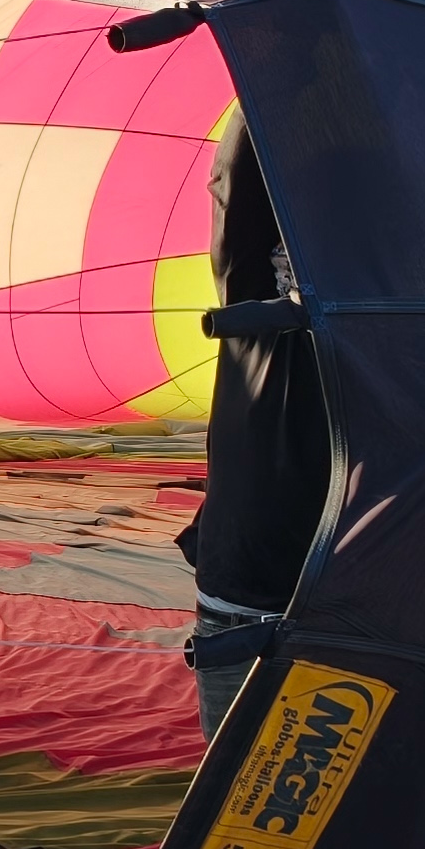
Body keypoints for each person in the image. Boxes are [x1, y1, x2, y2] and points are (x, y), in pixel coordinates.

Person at [177, 117, 333, 735]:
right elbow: (238, 177)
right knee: (243, 800)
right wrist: (277, 45)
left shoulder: (420, 330)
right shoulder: (258, 305)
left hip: (372, 590)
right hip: (254, 592)